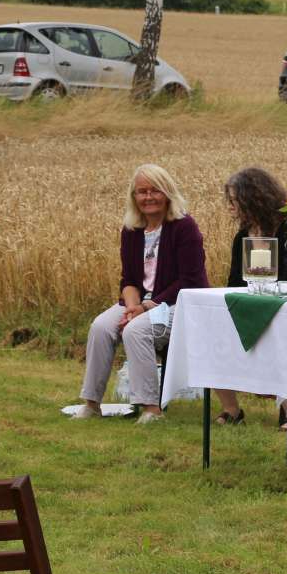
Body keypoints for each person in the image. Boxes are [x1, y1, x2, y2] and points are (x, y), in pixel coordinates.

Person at [78, 164, 208, 423]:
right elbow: (128, 280)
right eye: (142, 192)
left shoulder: (184, 226)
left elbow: (189, 280)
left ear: (167, 193)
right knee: (100, 327)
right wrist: (131, 307)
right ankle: (91, 403)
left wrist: (146, 308)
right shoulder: (131, 230)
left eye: (155, 190)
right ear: (134, 197)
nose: (148, 197)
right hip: (142, 303)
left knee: (136, 330)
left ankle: (151, 408)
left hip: (177, 305)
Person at [213, 167, 287, 426]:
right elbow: (234, 283)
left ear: (254, 199)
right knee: (214, 330)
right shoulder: (242, 236)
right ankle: (232, 408)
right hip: (252, 303)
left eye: (234, 201)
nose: (230, 207)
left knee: (275, 333)